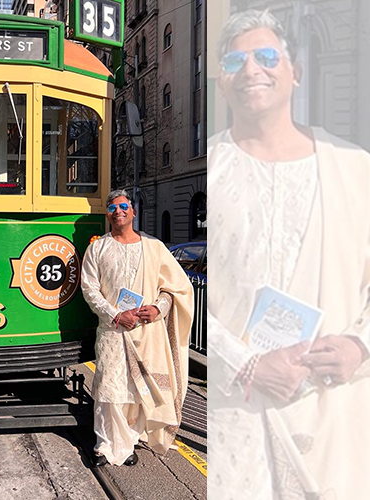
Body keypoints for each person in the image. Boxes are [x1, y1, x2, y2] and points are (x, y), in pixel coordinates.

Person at [209, 10, 370, 498]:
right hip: (238, 426)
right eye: (235, 60)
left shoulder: (355, 168)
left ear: (295, 71)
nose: (251, 69)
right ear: (221, 82)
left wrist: (359, 347)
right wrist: (245, 363)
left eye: (266, 56)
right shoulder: (212, 166)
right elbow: (179, 298)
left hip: (334, 419)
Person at [80, 190, 193, 466]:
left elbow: (176, 288)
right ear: (107, 214)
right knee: (109, 388)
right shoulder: (98, 248)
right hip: (112, 330)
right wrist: (116, 315)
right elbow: (89, 289)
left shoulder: (154, 247)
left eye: (123, 206)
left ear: (133, 211)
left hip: (146, 330)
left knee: (135, 390)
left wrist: (158, 309)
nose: (118, 211)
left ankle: (128, 442)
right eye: (112, 208)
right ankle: (105, 445)